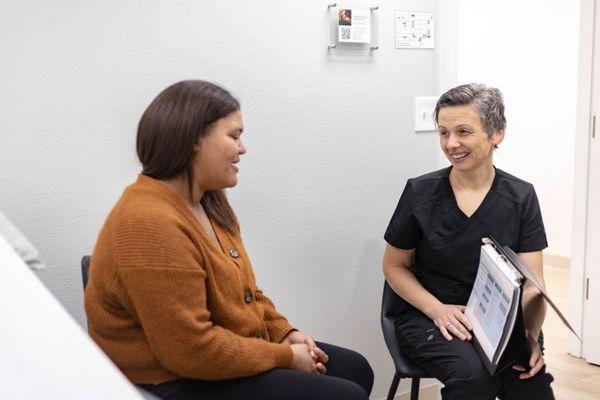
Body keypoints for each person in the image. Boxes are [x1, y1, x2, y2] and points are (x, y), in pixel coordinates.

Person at [84, 80, 373, 400]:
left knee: (355, 368)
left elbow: (245, 292)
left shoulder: (207, 202)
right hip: (173, 379)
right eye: (234, 136)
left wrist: (284, 333)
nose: (243, 148)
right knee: (344, 395)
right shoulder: (149, 223)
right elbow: (190, 351)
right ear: (194, 139)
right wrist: (286, 357)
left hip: (219, 349)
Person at [382, 83, 555, 399]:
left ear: (496, 133)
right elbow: (394, 267)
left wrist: (529, 334)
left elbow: (533, 286)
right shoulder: (420, 193)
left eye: (463, 131)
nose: (451, 144)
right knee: (474, 378)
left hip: (499, 323)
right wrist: (437, 310)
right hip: (430, 316)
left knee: (528, 380)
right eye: (444, 133)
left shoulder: (521, 197)